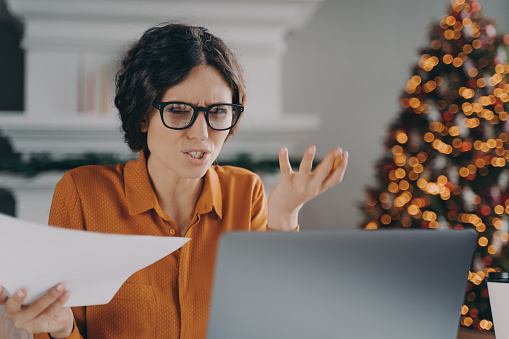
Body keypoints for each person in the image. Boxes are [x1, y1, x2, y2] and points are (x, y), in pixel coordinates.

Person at [0, 23, 348, 338]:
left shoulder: (246, 192)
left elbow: (272, 319)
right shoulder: (82, 194)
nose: (202, 134)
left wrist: (285, 214)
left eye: (218, 113)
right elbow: (60, 322)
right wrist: (62, 330)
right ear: (142, 117)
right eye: (179, 110)